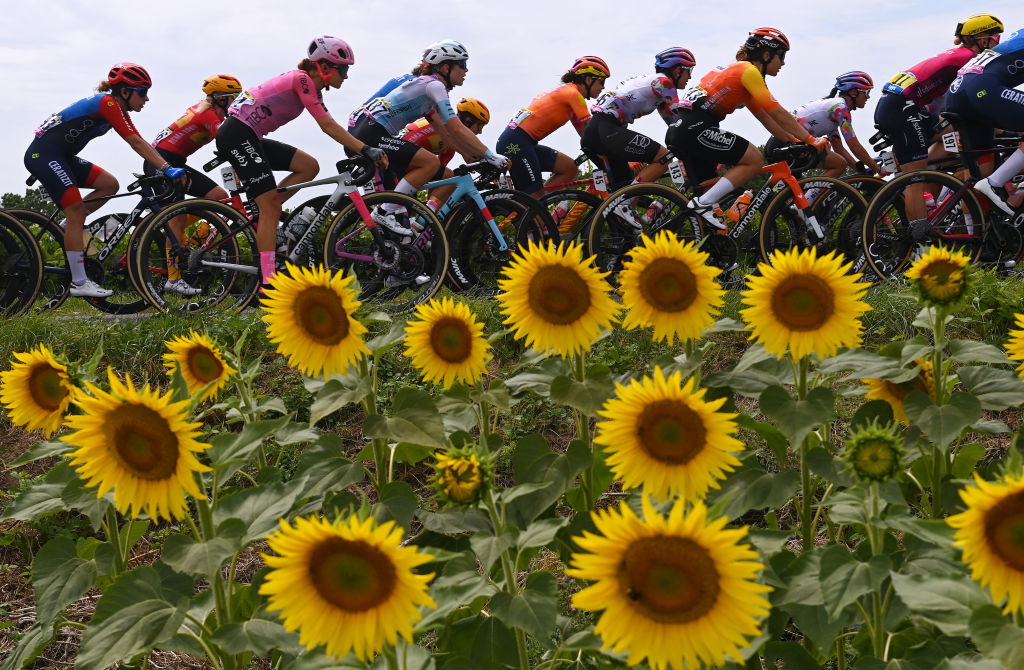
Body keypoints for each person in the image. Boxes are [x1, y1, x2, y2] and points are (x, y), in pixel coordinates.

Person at [214, 35, 386, 286]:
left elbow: (328, 123)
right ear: (324, 68)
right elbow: (326, 125)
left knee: (309, 167)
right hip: (236, 134)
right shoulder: (302, 79)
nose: (346, 76)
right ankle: (267, 283)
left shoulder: (310, 87)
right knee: (271, 206)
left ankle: (265, 207)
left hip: (248, 135)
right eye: (344, 69)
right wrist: (365, 149)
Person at [24, 63, 187, 298]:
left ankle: (68, 226)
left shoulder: (115, 108)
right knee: (77, 211)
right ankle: (80, 283)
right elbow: (136, 142)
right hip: (44, 155)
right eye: (142, 92)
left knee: (109, 185)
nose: (146, 99)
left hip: (62, 156)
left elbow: (138, 139)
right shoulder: (107, 103)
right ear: (125, 92)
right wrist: (166, 168)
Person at [665, 28, 829, 229]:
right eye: (782, 56)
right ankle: (702, 204)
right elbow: (777, 112)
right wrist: (811, 140)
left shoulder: (738, 71)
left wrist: (794, 142)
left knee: (711, 194)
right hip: (696, 128)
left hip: (682, 128)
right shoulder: (749, 72)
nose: (783, 63)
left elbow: (765, 118)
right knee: (754, 159)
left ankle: (715, 252)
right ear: (767, 55)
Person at [349, 40, 509, 235]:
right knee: (430, 163)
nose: (466, 71)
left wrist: (478, 157)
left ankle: (395, 220)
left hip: (373, 132)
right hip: (370, 133)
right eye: (462, 65)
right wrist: (491, 155)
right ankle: (384, 213)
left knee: (436, 172)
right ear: (445, 67)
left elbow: (448, 135)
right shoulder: (434, 86)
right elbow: (457, 128)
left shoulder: (428, 91)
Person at [873, 14, 1003, 233]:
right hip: (903, 108)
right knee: (915, 180)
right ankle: (919, 241)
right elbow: (977, 96)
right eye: (996, 38)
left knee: (955, 133)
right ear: (983, 39)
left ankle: (952, 170)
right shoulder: (968, 59)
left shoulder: (957, 54)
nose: (997, 43)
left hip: (901, 105)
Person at [143, 74, 243, 295]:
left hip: (173, 162)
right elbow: (227, 142)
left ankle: (187, 241)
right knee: (175, 219)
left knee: (218, 195)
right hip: (161, 162)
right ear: (220, 99)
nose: (235, 104)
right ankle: (173, 279)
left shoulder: (210, 112)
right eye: (232, 99)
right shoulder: (208, 115)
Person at [581, 48, 695, 192]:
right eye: (688, 71)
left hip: (598, 131)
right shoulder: (664, 83)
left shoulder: (657, 89)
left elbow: (676, 125)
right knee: (664, 157)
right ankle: (625, 201)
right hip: (606, 129)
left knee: (624, 187)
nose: (690, 77)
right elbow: (681, 117)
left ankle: (620, 208)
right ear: (678, 71)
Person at [496, 57, 610, 197]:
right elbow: (594, 133)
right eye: (601, 82)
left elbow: (587, 137)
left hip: (521, 141)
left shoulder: (569, 95)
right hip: (516, 142)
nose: (603, 87)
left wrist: (603, 160)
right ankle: (533, 210)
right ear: (588, 80)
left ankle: (538, 206)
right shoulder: (573, 95)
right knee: (534, 198)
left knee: (569, 168)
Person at [947, 27, 1024, 213]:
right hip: (982, 89)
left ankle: (979, 235)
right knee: (987, 178)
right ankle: (994, 183)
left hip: (958, 93)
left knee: (981, 170)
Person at [765, 71, 881, 177]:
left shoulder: (833, 111)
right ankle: (811, 199)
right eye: (866, 92)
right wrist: (878, 169)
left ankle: (808, 198)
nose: (868, 97)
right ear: (854, 92)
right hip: (785, 144)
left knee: (794, 194)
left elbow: (839, 149)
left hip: (782, 144)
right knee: (839, 164)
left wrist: (861, 170)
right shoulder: (840, 109)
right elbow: (854, 145)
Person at [398, 97, 490, 210]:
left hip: (406, 158)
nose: (480, 132)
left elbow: (438, 175)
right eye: (480, 126)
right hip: (402, 158)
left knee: (411, 216)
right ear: (468, 121)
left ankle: (427, 215)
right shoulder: (452, 127)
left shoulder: (450, 139)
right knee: (451, 177)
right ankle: (429, 212)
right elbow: (471, 155)